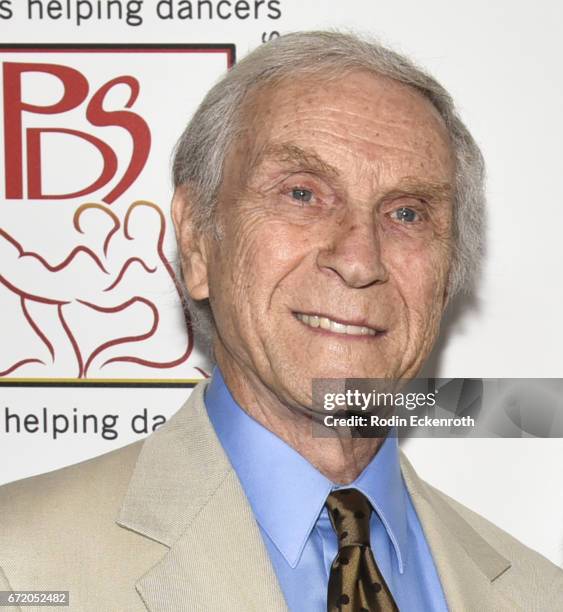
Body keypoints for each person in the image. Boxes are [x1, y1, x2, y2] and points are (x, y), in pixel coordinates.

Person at [0, 31, 561, 612]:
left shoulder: (540, 595)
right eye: (301, 193)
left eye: (406, 212)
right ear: (197, 242)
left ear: (447, 274)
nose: (359, 258)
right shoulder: (20, 567)